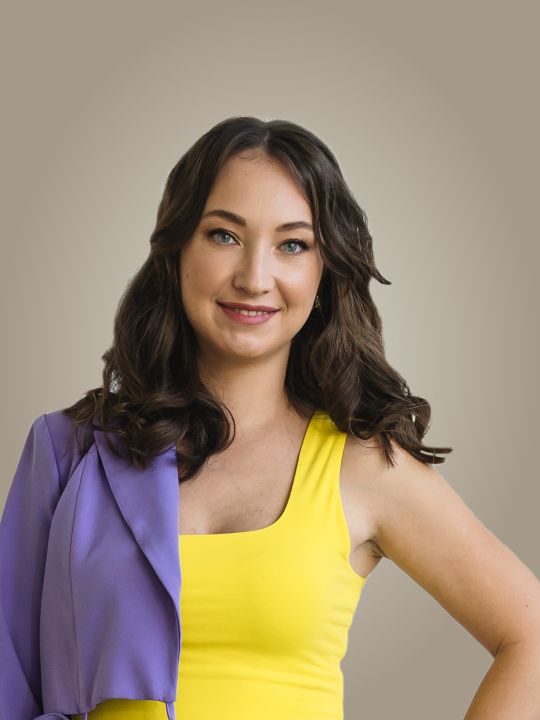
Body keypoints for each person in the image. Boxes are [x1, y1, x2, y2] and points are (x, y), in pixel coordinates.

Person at [2, 116, 540, 720]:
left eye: (292, 245)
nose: (254, 278)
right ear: (177, 250)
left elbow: (530, 638)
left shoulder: (363, 466)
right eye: (224, 235)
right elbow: (7, 676)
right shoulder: (71, 452)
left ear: (324, 271)